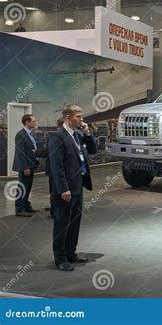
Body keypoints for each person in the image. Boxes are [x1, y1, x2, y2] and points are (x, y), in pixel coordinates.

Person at [49, 105, 97, 271]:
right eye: (78, 116)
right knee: (62, 224)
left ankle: (71, 253)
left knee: (74, 223)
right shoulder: (57, 137)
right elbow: (57, 166)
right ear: (68, 118)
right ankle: (60, 258)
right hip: (66, 189)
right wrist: (63, 188)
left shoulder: (77, 135)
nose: (81, 119)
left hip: (78, 186)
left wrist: (87, 133)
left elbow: (93, 150)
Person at [36, 118, 64, 218]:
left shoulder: (53, 137)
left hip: (53, 170)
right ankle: (59, 209)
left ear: (57, 125)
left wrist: (36, 152)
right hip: (66, 170)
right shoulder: (72, 135)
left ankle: (54, 211)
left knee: (54, 191)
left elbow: (46, 151)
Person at [12, 114, 39, 217]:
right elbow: (20, 153)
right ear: (27, 122)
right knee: (22, 186)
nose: (35, 122)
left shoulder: (30, 134)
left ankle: (26, 206)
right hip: (26, 166)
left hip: (31, 165)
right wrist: (25, 167)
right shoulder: (20, 134)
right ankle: (19, 209)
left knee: (28, 186)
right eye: (33, 121)